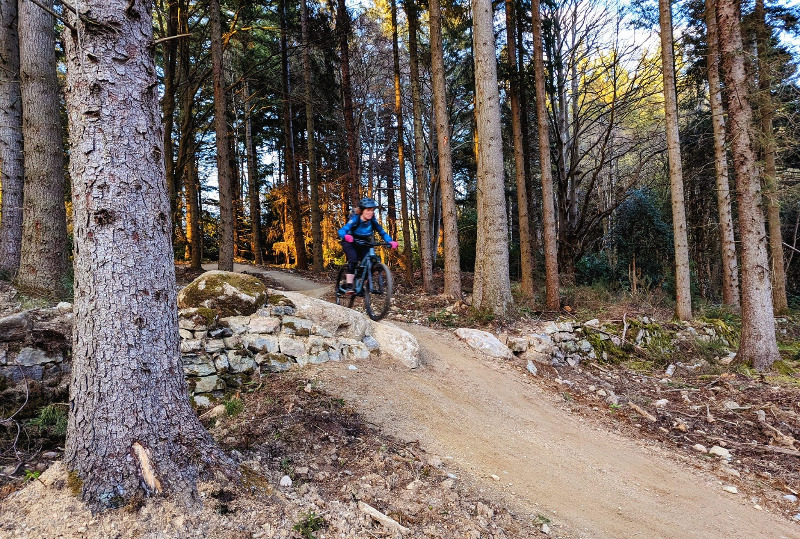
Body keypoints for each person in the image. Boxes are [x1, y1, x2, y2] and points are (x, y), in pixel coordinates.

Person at [338, 197, 398, 295]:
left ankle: (360, 285)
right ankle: (349, 285)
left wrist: (390, 241)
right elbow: (342, 230)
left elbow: (382, 232)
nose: (370, 212)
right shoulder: (355, 219)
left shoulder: (372, 221)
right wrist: (346, 236)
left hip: (364, 242)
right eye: (368, 210)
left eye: (372, 210)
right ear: (362, 211)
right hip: (350, 241)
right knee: (353, 259)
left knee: (370, 263)